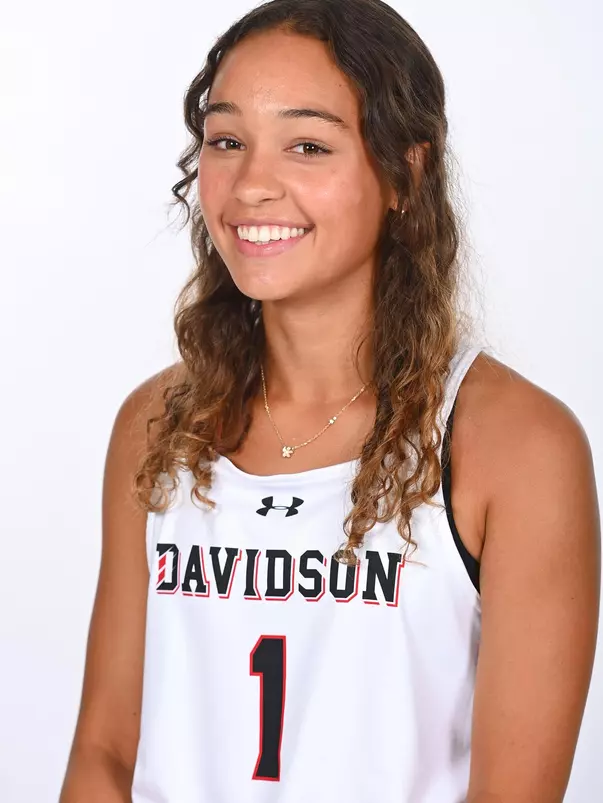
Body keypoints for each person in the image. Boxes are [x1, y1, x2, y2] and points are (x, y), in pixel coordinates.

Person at [59, 1, 600, 801]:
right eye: (226, 140)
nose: (251, 185)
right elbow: (106, 751)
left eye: (307, 145)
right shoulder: (157, 424)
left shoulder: (514, 447)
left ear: (404, 173)